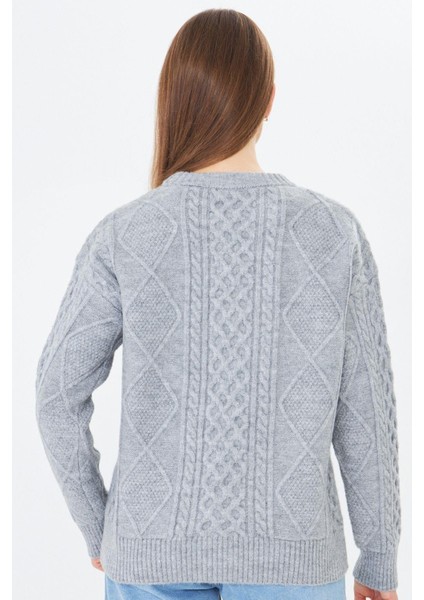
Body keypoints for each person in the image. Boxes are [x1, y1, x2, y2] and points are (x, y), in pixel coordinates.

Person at [35, 8, 401, 600]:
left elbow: (56, 393)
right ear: (269, 99)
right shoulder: (334, 233)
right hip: (294, 557)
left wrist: (100, 526)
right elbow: (365, 413)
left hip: (149, 552)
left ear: (171, 102)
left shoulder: (124, 234)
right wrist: (379, 556)